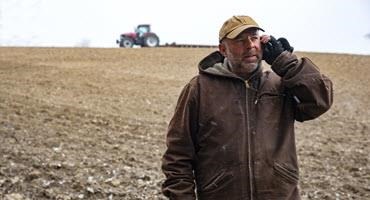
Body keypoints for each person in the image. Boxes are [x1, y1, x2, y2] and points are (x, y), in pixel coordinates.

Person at [161, 15, 333, 200]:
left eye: (254, 38)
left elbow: (320, 101)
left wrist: (286, 62)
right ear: (223, 49)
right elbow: (178, 155)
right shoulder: (200, 89)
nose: (250, 45)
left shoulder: (279, 84)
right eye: (240, 40)